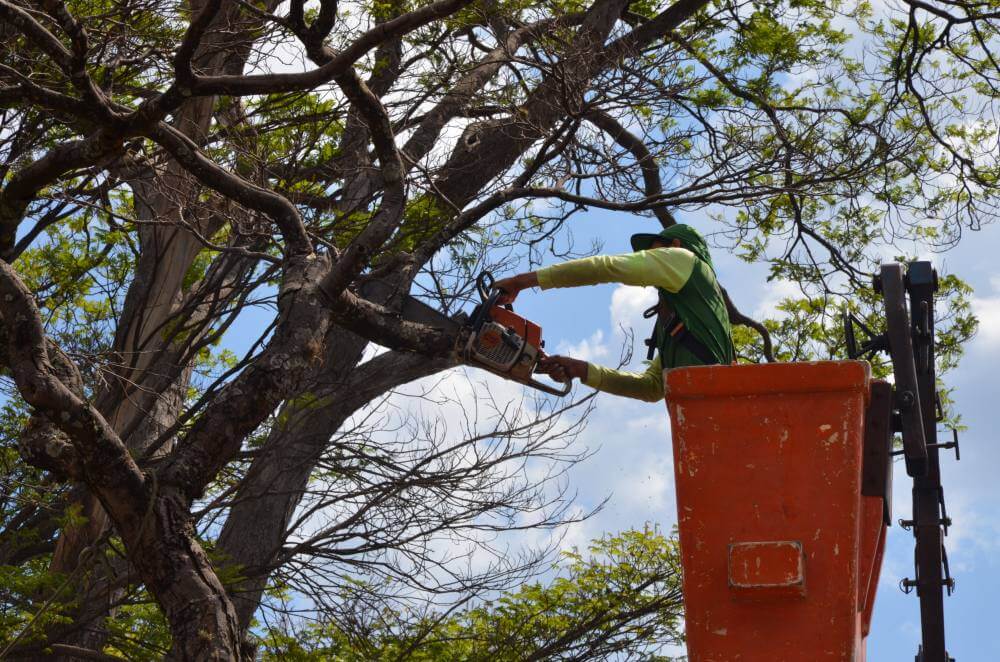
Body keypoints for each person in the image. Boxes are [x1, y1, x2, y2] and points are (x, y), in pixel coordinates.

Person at [494, 224, 734, 403]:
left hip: (711, 409)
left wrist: (520, 281)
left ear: (676, 246)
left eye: (655, 253)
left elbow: (607, 267)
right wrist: (581, 369)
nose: (650, 260)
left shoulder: (686, 260)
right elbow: (651, 388)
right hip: (701, 421)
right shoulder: (679, 321)